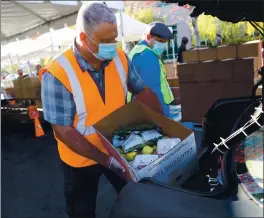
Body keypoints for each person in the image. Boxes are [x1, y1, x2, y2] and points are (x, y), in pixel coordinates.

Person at [38, 3, 161, 218]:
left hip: (119, 146)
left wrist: (163, 129)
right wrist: (107, 161)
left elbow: (143, 92)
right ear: (84, 39)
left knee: (140, 197)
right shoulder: (58, 74)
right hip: (79, 158)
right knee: (82, 210)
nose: (112, 46)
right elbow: (63, 131)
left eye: (114, 39)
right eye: (105, 41)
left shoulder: (120, 58)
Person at [127, 22, 174, 119]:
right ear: (148, 37)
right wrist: (164, 117)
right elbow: (152, 91)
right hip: (156, 113)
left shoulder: (139, 51)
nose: (163, 45)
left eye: (165, 42)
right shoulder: (146, 55)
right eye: (160, 41)